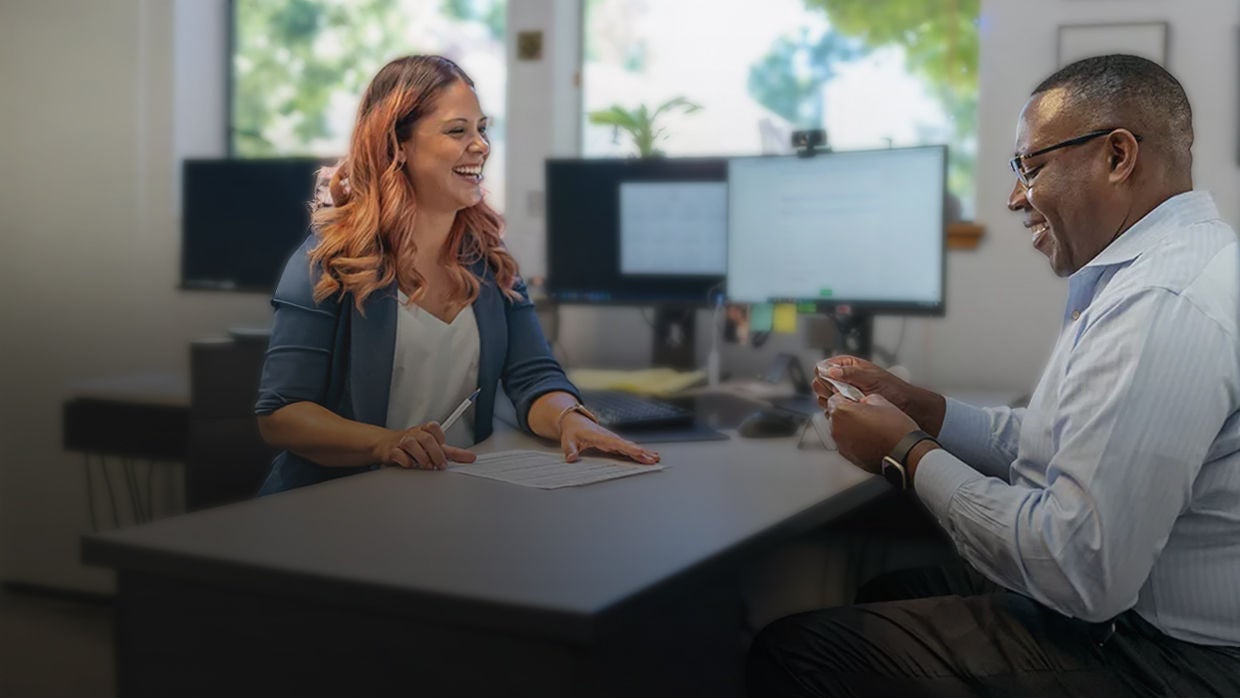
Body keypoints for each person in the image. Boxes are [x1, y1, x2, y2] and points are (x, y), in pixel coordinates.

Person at [748, 54, 1240, 696]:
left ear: (1118, 157)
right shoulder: (1161, 269)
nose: (1014, 199)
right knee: (890, 590)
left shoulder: (1162, 304)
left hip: (1169, 661)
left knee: (797, 653)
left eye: (1030, 169)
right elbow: (1058, 439)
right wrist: (922, 409)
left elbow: (1077, 568)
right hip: (1135, 611)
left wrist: (904, 453)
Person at [254, 55, 658, 495]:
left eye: (482, 129)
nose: (481, 145)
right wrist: (386, 444)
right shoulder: (328, 260)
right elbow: (282, 414)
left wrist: (569, 418)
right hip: (333, 507)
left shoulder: (489, 260)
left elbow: (533, 376)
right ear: (398, 145)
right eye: (457, 130)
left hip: (450, 501)